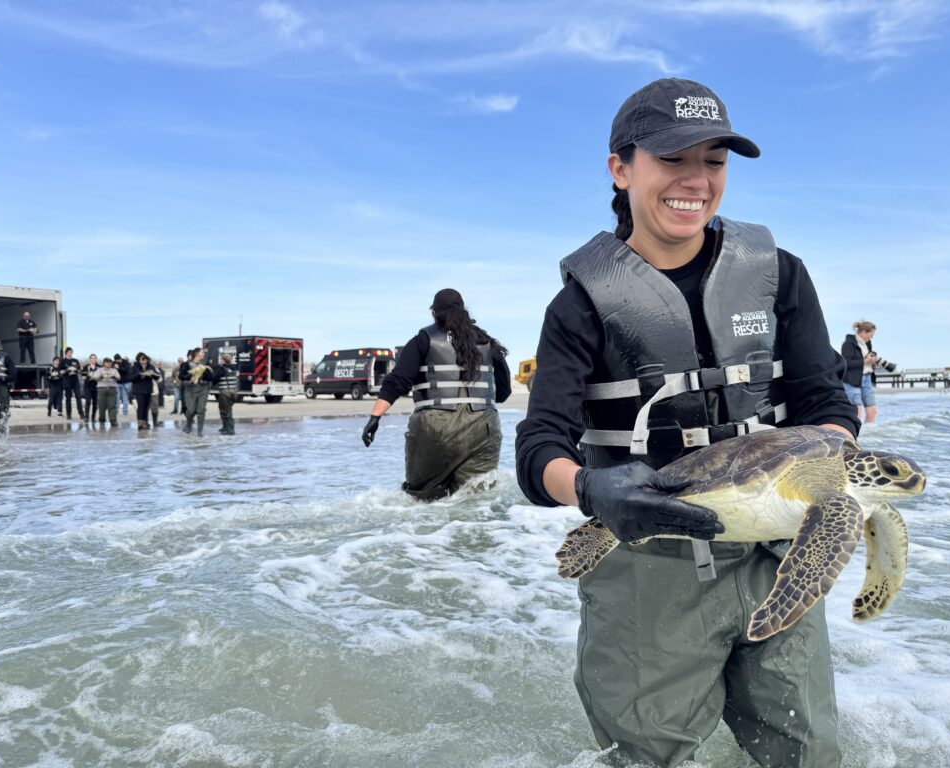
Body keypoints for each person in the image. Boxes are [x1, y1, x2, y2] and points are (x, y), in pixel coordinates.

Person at [514, 78, 860, 767]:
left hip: (776, 550)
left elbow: (825, 403)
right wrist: (590, 491)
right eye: (673, 159)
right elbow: (538, 446)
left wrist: (826, 467)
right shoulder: (580, 305)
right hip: (650, 566)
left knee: (809, 750)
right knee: (644, 755)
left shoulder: (778, 275)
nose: (696, 181)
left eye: (715, 161)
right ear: (621, 167)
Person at [362, 288, 512, 500]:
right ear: (463, 311)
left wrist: (375, 417)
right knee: (476, 502)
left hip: (435, 429)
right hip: (484, 428)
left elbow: (398, 381)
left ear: (434, 312)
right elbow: (504, 392)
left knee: (423, 501)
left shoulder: (423, 340)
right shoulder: (487, 342)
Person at [841, 320, 880, 424]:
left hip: (867, 378)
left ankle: (870, 435)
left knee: (872, 411)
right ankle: (855, 436)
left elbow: (866, 362)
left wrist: (873, 363)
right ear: (863, 332)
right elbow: (846, 363)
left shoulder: (867, 344)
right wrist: (864, 361)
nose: (872, 337)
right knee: (857, 411)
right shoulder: (848, 344)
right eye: (871, 334)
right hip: (852, 380)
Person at [179, 348, 213, 436]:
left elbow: (211, 377)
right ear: (197, 353)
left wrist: (203, 373)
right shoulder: (186, 364)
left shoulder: (205, 364)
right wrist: (192, 373)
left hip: (203, 389)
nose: (203, 354)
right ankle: (188, 424)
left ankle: (200, 431)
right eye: (202, 352)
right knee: (190, 410)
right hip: (190, 389)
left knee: (201, 410)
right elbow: (181, 376)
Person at [129, 352, 162, 430]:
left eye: (145, 358)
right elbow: (130, 378)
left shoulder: (151, 366)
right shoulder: (135, 367)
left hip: (148, 389)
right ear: (138, 359)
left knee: (146, 406)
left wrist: (152, 374)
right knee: (141, 405)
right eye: (142, 358)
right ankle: (140, 422)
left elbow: (158, 377)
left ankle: (145, 422)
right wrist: (140, 375)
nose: (144, 360)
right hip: (138, 389)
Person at [212, 353, 239, 435]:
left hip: (225, 392)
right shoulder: (234, 368)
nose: (220, 361)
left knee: (225, 411)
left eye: (221, 359)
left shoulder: (222, 369)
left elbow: (215, 380)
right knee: (229, 410)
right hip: (234, 392)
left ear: (223, 360)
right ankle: (225, 427)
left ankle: (229, 429)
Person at [91, 357, 120, 426]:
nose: (108, 364)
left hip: (112, 388)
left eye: (110, 362)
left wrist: (115, 377)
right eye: (107, 362)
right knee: (101, 405)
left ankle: (113, 420)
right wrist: (100, 377)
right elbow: (95, 377)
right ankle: (102, 419)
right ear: (104, 363)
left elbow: (119, 377)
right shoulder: (99, 370)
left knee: (112, 405)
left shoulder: (114, 370)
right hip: (102, 388)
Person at [60, 348, 85, 421]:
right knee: (68, 398)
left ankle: (81, 414)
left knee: (78, 397)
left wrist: (78, 370)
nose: (70, 353)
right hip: (67, 381)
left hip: (75, 381)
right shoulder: (63, 361)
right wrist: (67, 370)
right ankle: (68, 414)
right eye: (69, 352)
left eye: (71, 352)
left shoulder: (75, 360)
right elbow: (60, 372)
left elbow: (80, 370)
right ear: (66, 353)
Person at [82, 354, 99, 423]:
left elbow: (101, 377)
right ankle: (86, 417)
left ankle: (93, 418)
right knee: (88, 401)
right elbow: (83, 378)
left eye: (95, 358)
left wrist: (96, 378)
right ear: (89, 359)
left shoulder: (99, 367)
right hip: (87, 386)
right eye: (92, 358)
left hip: (96, 386)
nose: (93, 359)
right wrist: (89, 376)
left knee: (95, 403)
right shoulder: (85, 367)